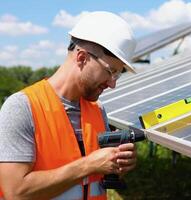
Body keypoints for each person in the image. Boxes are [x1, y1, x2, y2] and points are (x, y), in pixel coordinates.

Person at [0, 11, 138, 199]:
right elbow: (15, 193)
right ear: (82, 57)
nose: (112, 84)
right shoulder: (22, 107)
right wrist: (89, 164)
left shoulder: (98, 109)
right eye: (110, 72)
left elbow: (95, 178)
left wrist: (116, 164)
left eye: (117, 75)